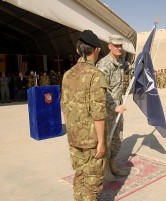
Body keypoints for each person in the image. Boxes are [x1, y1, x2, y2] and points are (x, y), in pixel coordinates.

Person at [61, 30, 108, 201]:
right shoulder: (95, 75)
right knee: (92, 183)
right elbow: (98, 113)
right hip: (91, 141)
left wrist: (70, 136)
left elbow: (65, 108)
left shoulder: (68, 75)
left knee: (80, 176)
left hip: (74, 137)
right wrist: (101, 142)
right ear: (95, 50)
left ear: (78, 50)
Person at [96, 35, 128, 182]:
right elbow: (103, 91)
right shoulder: (104, 65)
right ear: (109, 46)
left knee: (116, 138)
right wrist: (113, 106)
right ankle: (105, 168)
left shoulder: (120, 63)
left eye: (120, 45)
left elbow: (130, 68)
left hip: (118, 107)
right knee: (106, 139)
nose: (119, 48)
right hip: (107, 109)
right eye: (116, 45)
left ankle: (112, 163)